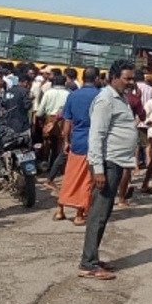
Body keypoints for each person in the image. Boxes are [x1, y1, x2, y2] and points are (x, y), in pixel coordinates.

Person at [78, 60, 139, 281]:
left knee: (104, 214)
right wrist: (98, 169)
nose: (131, 83)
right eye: (127, 78)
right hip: (107, 163)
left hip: (116, 163)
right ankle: (88, 264)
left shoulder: (120, 97)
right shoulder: (105, 100)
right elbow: (96, 136)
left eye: (133, 78)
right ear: (114, 77)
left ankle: (92, 256)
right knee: (98, 215)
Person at [52, 67, 101, 225]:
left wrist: (66, 141)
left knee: (69, 177)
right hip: (92, 142)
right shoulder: (99, 96)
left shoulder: (73, 95)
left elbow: (68, 122)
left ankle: (60, 210)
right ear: (97, 78)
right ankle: (80, 214)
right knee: (86, 180)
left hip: (76, 140)